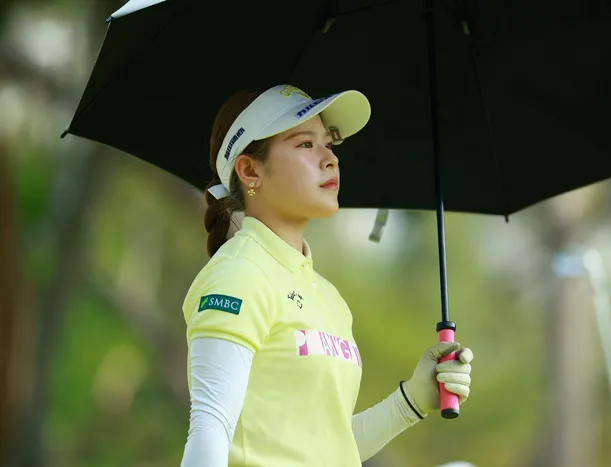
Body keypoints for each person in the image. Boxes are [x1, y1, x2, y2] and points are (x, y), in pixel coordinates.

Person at [180, 85, 474, 467]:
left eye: (329, 144)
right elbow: (210, 429)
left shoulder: (330, 299)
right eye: (305, 144)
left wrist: (413, 399)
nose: (329, 159)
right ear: (250, 171)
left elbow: (329, 447)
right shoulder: (238, 275)